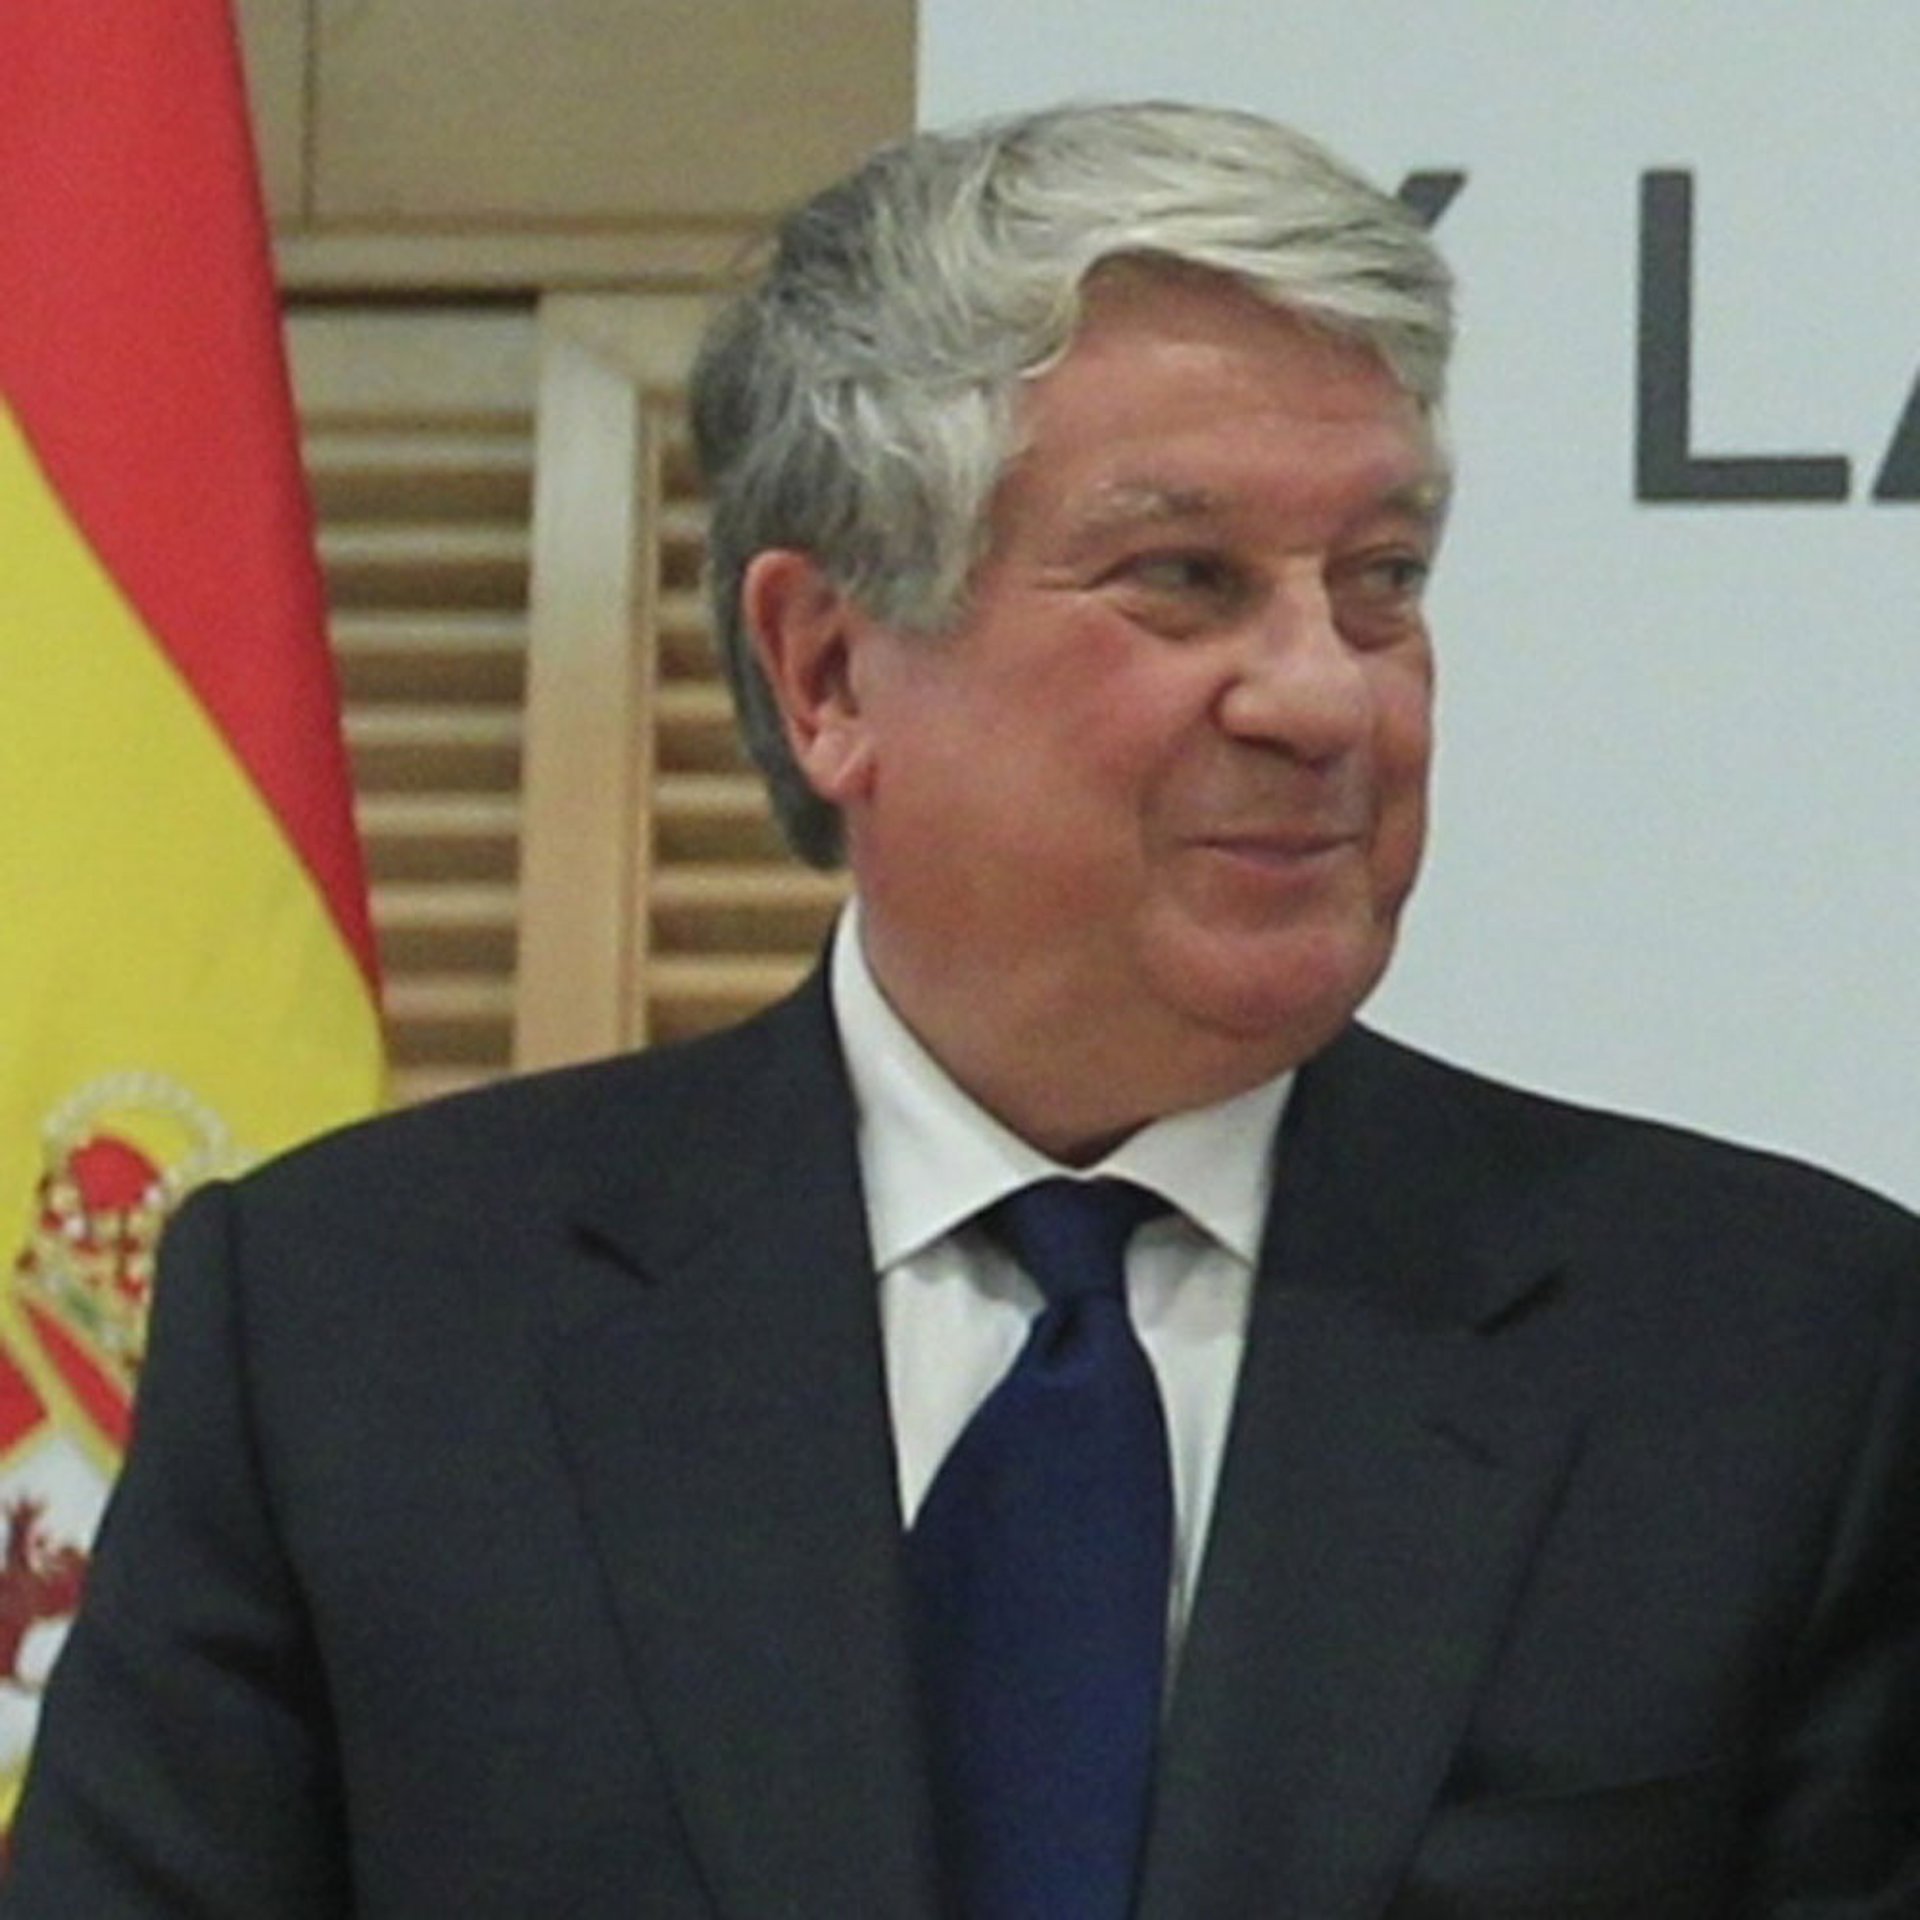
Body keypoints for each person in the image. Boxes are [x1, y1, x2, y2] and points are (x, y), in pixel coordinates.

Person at [5, 100, 1917, 1919]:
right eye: (1186, 580)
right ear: (828, 669)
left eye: (1379, 582)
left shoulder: (1778, 1360)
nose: (1330, 697)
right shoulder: (356, 1331)